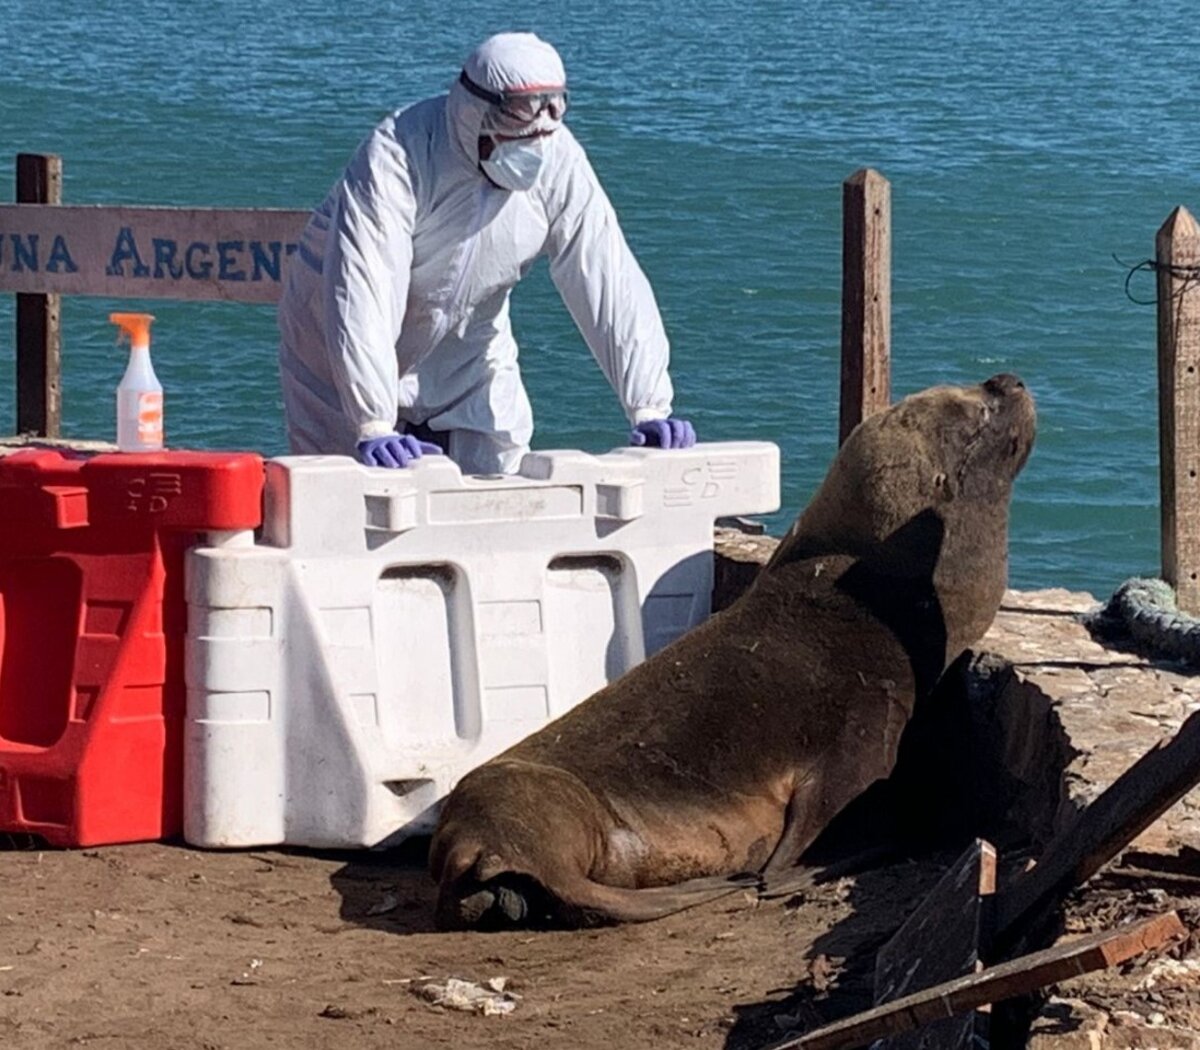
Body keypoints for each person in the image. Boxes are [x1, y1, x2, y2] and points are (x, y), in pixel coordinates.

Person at [277, 31, 696, 474]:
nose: (534, 135)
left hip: (469, 350)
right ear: (474, 110)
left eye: (551, 110)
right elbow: (365, 287)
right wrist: (373, 420)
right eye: (518, 115)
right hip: (334, 354)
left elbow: (606, 277)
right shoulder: (399, 154)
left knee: (501, 490)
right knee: (344, 500)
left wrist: (649, 405)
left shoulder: (558, 158)